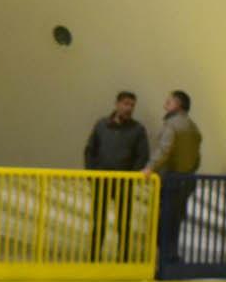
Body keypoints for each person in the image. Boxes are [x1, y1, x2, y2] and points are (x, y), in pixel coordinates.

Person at [83, 91, 149, 260]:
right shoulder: (101, 125)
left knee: (124, 223)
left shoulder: (138, 129)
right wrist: (92, 174)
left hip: (124, 182)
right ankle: (94, 258)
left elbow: (142, 156)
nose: (129, 108)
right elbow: (90, 150)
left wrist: (132, 177)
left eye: (132, 105)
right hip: (101, 180)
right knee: (99, 222)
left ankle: (124, 258)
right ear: (117, 104)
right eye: (126, 104)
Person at [144, 90, 203, 266]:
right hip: (187, 180)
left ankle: (161, 261)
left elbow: (164, 150)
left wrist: (149, 168)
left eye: (168, 101)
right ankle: (171, 257)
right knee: (175, 221)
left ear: (177, 104)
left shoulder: (171, 125)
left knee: (163, 222)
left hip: (169, 180)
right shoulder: (193, 126)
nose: (165, 104)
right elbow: (197, 157)